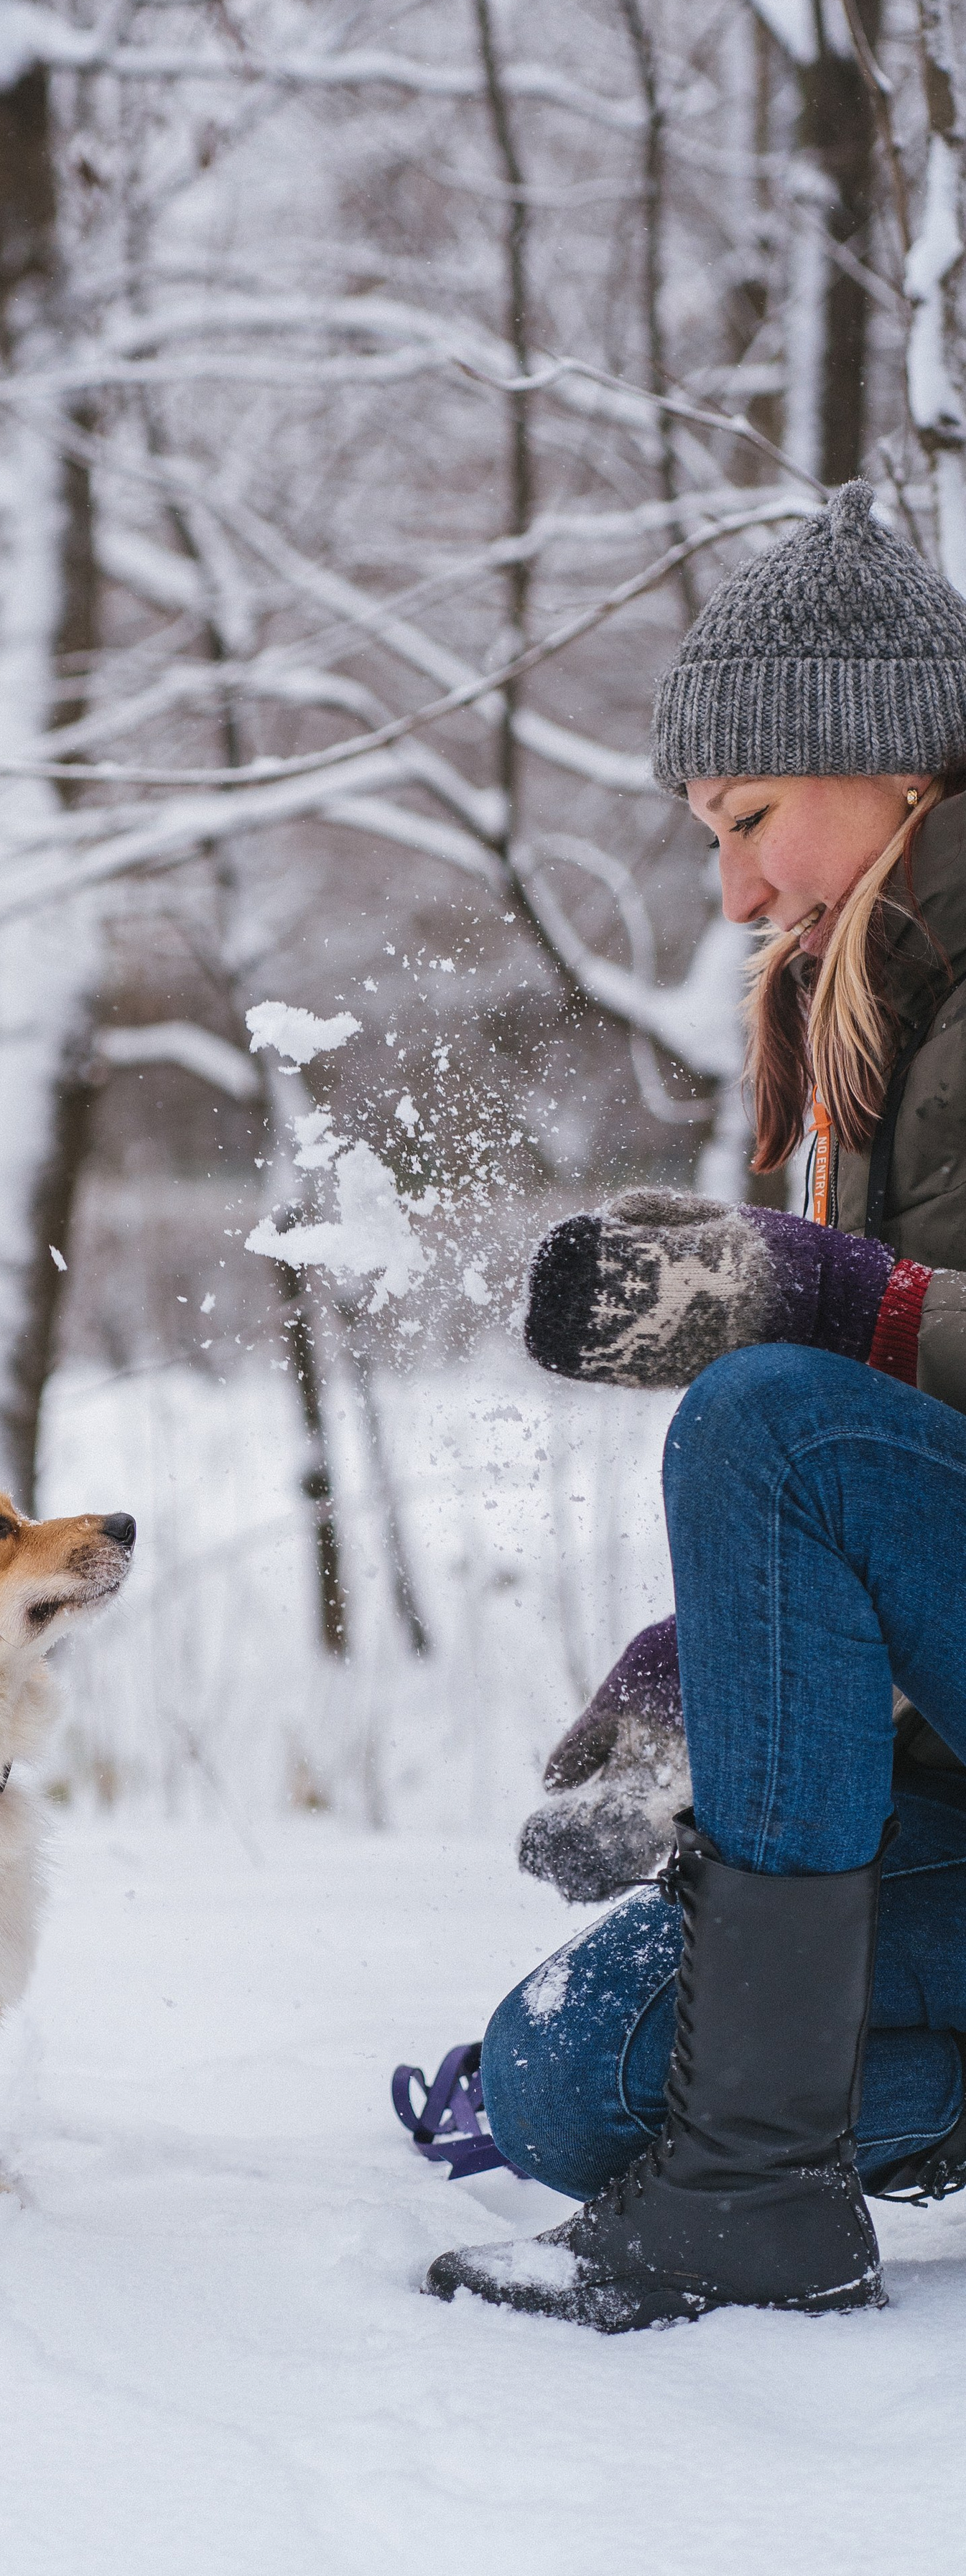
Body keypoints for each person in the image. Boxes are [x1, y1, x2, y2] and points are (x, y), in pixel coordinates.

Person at [426, 480, 966, 2332]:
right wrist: (736, 1663)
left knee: (768, 1421)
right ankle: (762, 2148)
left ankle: (752, 2199)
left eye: (750, 821)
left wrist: (838, 1306)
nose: (732, 888)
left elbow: (853, 1407)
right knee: (562, 2078)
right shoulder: (861, 1027)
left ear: (895, 768)